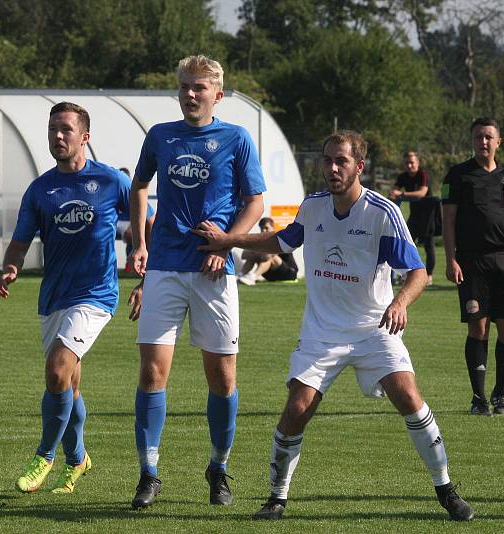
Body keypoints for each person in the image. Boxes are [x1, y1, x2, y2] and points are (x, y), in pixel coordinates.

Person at [194, 130, 474, 522]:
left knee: (409, 396)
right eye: (327, 160)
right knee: (296, 408)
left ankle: (446, 489)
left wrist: (399, 302)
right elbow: (281, 242)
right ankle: (277, 498)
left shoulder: (382, 212)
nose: (332, 168)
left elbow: (418, 271)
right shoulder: (313, 207)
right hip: (322, 332)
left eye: (341, 161)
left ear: (359, 167)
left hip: (374, 328)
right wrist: (229, 240)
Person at [127, 55, 266, 510]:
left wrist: (226, 244)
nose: (191, 94)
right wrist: (140, 242)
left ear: (217, 95)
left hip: (214, 271)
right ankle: (149, 473)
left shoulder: (236, 138)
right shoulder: (160, 136)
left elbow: (256, 202)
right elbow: (139, 185)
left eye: (200, 88)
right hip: (165, 266)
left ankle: (218, 467)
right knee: (152, 373)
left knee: (223, 380)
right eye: (185, 86)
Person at [0, 102, 142, 494]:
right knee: (70, 387)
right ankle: (78, 460)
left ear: (84, 137)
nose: (57, 137)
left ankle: (44, 455)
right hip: (54, 297)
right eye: (52, 130)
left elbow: (144, 224)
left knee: (58, 370)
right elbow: (20, 241)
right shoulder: (41, 189)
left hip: (95, 295)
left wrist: (145, 265)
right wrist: (11, 267)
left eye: (66, 130)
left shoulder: (111, 181)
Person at [441, 117, 504, 417]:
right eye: (479, 137)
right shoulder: (458, 175)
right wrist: (450, 258)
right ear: (473, 141)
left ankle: (500, 392)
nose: (483, 142)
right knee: (478, 327)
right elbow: (448, 221)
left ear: (498, 141)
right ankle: (478, 397)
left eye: (488, 137)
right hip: (471, 261)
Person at [389, 151, 436, 285]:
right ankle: (404, 275)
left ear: (418, 163)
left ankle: (429, 276)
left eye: (412, 163)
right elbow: (393, 191)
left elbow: (422, 193)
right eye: (407, 163)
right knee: (405, 243)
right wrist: (394, 194)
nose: (409, 165)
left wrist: (401, 194)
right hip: (414, 215)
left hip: (428, 215)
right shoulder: (403, 176)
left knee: (429, 245)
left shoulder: (423, 174)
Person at [237, 216, 298, 285]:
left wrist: (255, 252)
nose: (263, 230)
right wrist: (256, 253)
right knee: (252, 258)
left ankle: (252, 277)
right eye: (262, 228)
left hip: (289, 274)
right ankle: (240, 275)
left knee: (271, 258)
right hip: (272, 274)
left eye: (266, 228)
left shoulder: (278, 239)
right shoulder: (261, 240)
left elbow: (267, 256)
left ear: (273, 227)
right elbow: (244, 255)